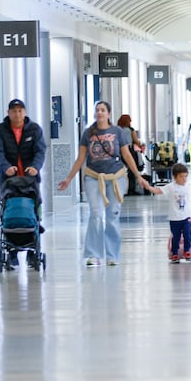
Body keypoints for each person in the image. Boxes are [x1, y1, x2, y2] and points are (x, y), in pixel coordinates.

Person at [58, 101, 148, 267]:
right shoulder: (88, 133)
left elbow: (127, 156)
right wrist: (69, 178)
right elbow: (81, 158)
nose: (99, 113)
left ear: (108, 113)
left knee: (112, 215)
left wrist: (138, 176)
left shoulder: (118, 132)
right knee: (96, 214)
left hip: (115, 177)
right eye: (97, 110)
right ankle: (94, 254)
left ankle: (112, 255)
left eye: (102, 110)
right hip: (93, 177)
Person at [0, 99, 47, 269]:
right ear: (8, 113)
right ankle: (12, 252)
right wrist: (6, 167)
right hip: (9, 180)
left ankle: (33, 253)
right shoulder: (0, 130)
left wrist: (36, 167)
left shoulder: (34, 129)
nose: (17, 114)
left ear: (24, 112)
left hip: (30, 180)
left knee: (33, 211)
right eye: (14, 111)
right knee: (10, 210)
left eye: (20, 111)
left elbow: (40, 150)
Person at [145, 163, 191, 264]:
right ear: (175, 177)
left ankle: (187, 251)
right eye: (181, 176)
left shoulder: (188, 186)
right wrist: (148, 187)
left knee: (188, 234)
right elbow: (158, 191)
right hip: (174, 218)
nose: (184, 179)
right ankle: (174, 253)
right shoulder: (170, 187)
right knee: (175, 237)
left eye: (185, 176)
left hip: (186, 217)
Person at [117, 114, 143, 195]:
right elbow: (136, 141)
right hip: (130, 151)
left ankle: (122, 189)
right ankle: (131, 189)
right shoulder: (131, 130)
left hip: (120, 151)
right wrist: (140, 145)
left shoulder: (117, 129)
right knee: (132, 170)